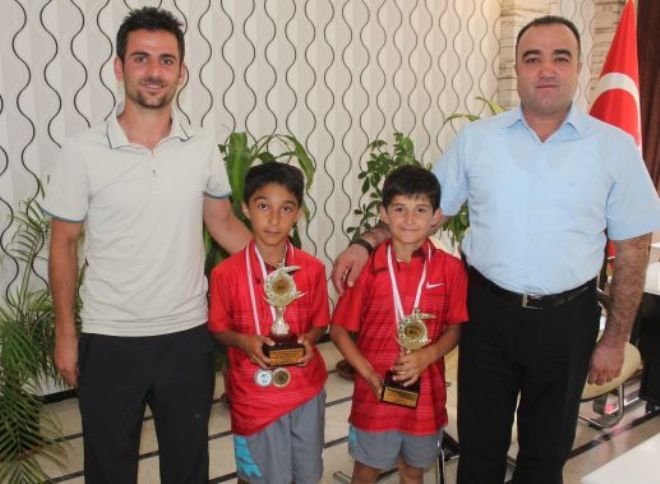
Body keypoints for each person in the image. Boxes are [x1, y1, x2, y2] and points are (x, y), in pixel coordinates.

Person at [333, 15, 660, 484]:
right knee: (480, 448)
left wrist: (614, 339)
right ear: (518, 68)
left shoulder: (614, 148)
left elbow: (633, 250)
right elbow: (424, 212)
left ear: (578, 68)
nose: (546, 69)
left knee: (546, 453)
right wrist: (365, 243)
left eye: (560, 57)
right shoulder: (478, 140)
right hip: (488, 315)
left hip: (567, 322)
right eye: (533, 58)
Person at [45, 7, 251, 483]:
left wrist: (285, 269)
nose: (154, 71)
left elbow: (223, 223)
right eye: (141, 58)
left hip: (187, 337)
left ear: (182, 72)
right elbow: (64, 244)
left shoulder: (201, 145)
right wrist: (65, 332)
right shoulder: (82, 150)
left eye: (165, 60)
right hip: (109, 338)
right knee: (109, 470)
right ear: (119, 68)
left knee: (188, 467)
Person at [330, 166, 467, 484]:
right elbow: (338, 330)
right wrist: (367, 373)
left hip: (425, 395)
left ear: (436, 217)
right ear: (384, 214)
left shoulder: (450, 269)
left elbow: (455, 329)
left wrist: (426, 356)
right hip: (374, 394)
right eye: (399, 209)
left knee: (413, 472)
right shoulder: (367, 268)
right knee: (366, 471)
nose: (409, 219)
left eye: (420, 210)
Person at [208, 162, 329, 484]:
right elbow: (219, 328)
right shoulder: (225, 274)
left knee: (307, 475)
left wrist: (309, 339)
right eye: (263, 206)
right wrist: (245, 342)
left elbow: (320, 323)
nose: (274, 220)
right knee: (258, 477)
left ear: (297, 214)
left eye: (285, 208)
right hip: (254, 394)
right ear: (245, 209)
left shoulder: (312, 269)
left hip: (305, 391)